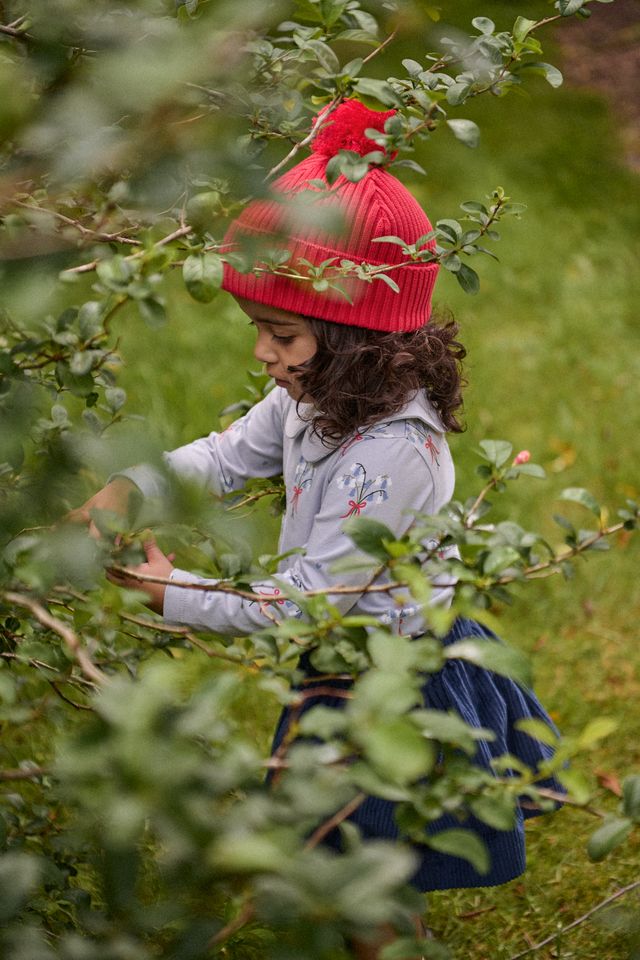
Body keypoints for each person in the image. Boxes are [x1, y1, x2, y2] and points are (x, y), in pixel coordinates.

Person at [71, 100, 561, 959]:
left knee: (354, 888)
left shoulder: (393, 452)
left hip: (391, 684)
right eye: (260, 331)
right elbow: (228, 456)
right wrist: (128, 489)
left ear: (355, 337)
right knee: (360, 883)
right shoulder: (316, 394)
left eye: (282, 334)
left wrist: (172, 593)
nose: (263, 354)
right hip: (341, 664)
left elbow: (305, 602)